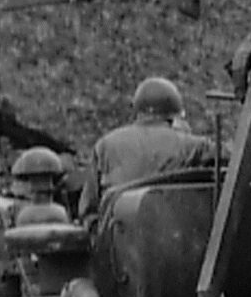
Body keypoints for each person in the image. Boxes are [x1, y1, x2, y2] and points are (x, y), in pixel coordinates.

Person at [81, 76, 215, 214]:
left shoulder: (104, 145)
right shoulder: (194, 146)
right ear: (175, 116)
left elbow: (89, 208)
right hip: (174, 231)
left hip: (118, 230)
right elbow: (232, 163)